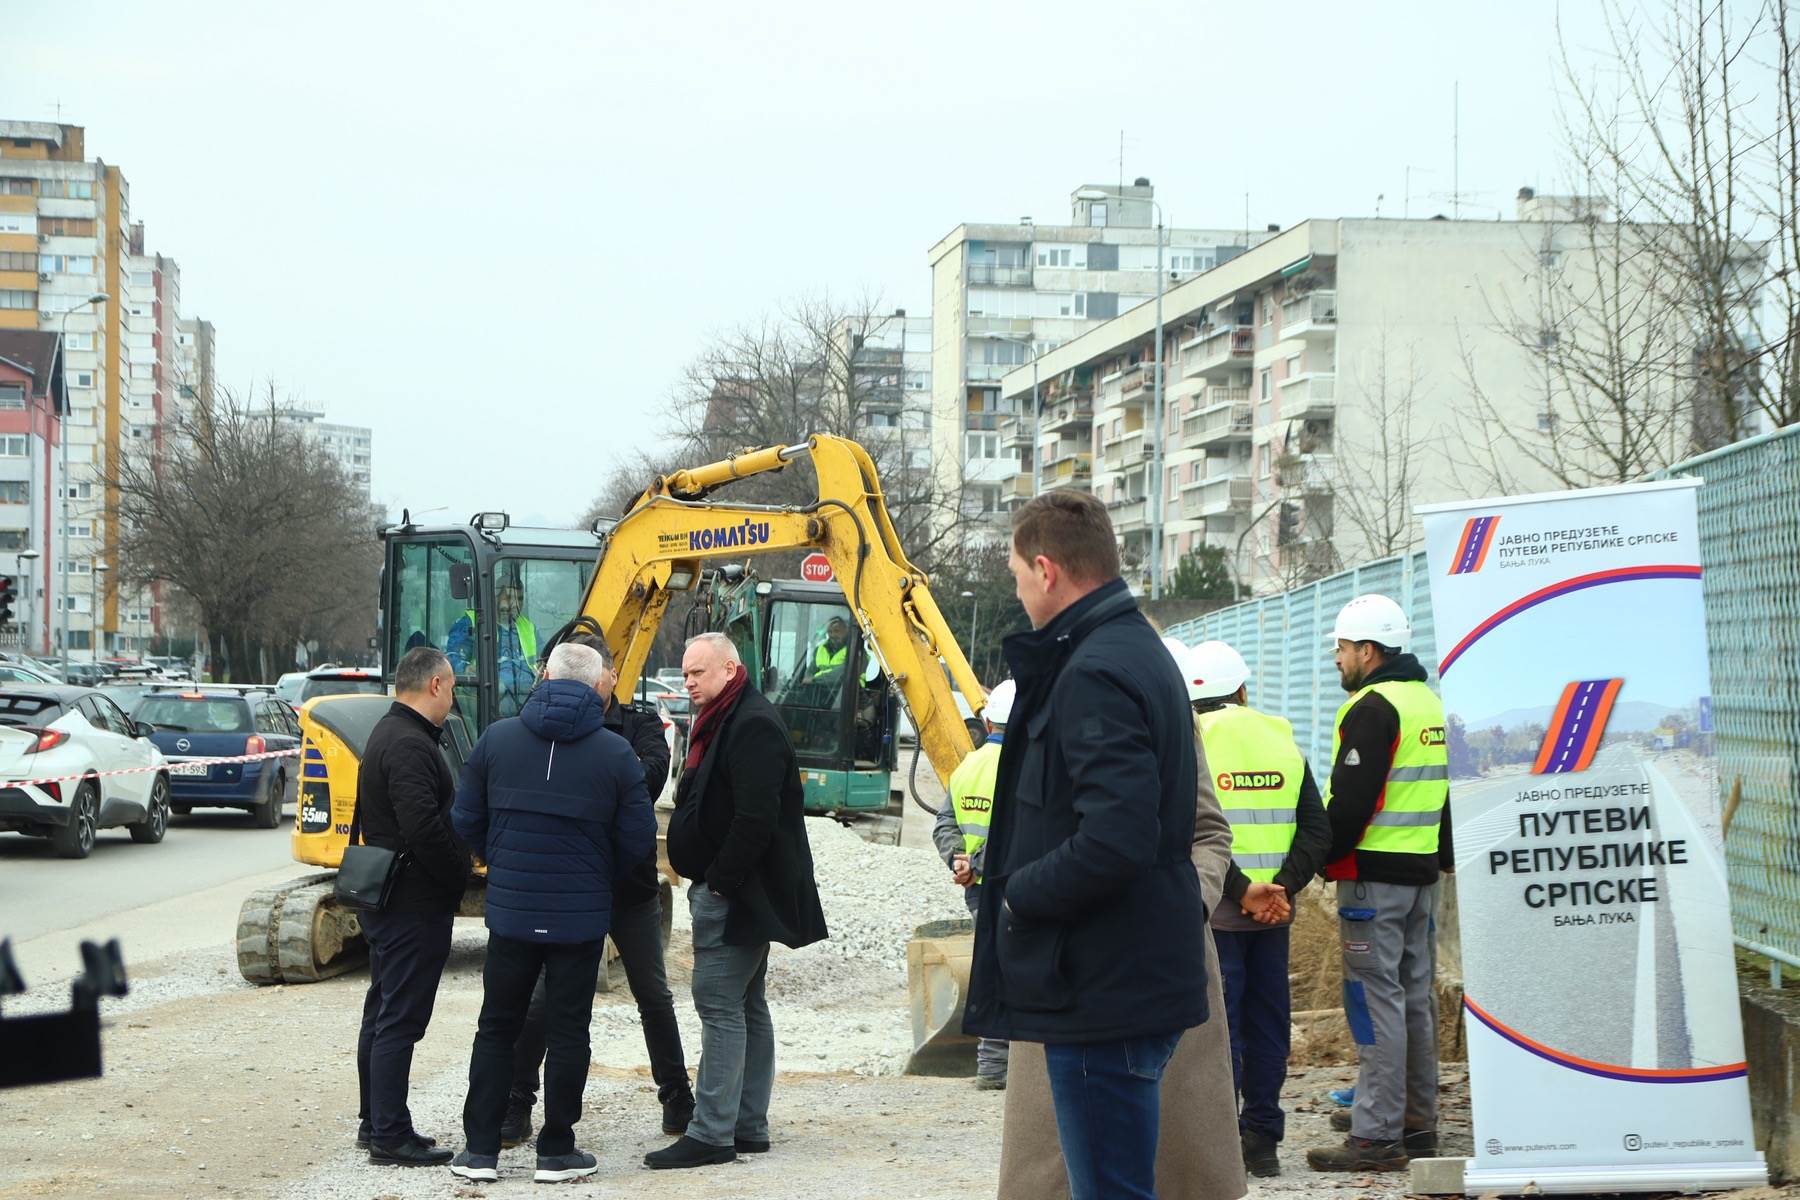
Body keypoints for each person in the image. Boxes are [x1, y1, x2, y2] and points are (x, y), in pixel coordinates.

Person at [965, 490, 1209, 1200]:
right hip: (1115, 977)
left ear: (1047, 569)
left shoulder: (1096, 670)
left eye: (1015, 574)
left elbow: (1117, 836)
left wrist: (1018, 894)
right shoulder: (1125, 649)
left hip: (1104, 987)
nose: (1016, 591)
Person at [995, 633, 1248, 1200]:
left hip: (1158, 964)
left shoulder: (1168, 718)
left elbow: (1209, 832)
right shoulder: (1037, 714)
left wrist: (1189, 906)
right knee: (1055, 1171)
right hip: (1060, 971)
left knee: (1171, 1168)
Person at [447, 642, 656, 1185]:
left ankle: (479, 1152)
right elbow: (637, 843)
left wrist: (501, 861)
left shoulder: (497, 738)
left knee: (496, 1027)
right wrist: (593, 878)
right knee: (569, 1032)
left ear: (544, 676)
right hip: (579, 920)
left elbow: (465, 819)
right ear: (597, 687)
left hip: (512, 913)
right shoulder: (615, 755)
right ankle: (557, 1151)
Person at [503, 633, 694, 1146]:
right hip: (569, 890)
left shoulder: (641, 723)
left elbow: (650, 778)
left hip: (627, 890)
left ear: (610, 675)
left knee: (653, 994)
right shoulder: (542, 726)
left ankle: (676, 1096)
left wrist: (591, 778)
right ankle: (517, 1102)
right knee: (545, 1001)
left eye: (600, 672)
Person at [651, 632, 829, 1170]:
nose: (688, 683)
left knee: (719, 1004)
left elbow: (755, 819)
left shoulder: (749, 723)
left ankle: (711, 1133)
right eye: (684, 674)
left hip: (737, 894)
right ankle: (748, 1125)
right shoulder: (729, 715)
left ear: (730, 669)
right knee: (748, 1004)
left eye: (697, 673)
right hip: (741, 891)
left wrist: (720, 882)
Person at [1305, 594, 1452, 1174]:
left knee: (1373, 1003)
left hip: (1373, 881)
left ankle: (1375, 1137)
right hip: (1419, 878)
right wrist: (1439, 857)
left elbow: (1351, 803)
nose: (1337, 660)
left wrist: (1322, 854)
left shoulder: (1373, 706)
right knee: (1414, 999)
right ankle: (1417, 1126)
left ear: (1367, 651)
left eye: (1341, 649)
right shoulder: (1427, 701)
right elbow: (1439, 794)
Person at [1185, 638, 1332, 1178]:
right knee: (1268, 1024)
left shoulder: (1190, 738)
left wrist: (1242, 888)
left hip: (1219, 913)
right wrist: (1281, 889)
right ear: (1243, 690)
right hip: (1273, 915)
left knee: (1222, 1029)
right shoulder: (1280, 737)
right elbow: (1318, 830)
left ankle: (1223, 1140)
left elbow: (1188, 829)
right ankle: (1263, 1141)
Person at [353, 646, 470, 1168]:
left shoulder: (389, 730)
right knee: (399, 1018)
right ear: (437, 686)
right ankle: (390, 1134)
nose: (453, 698)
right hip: (410, 901)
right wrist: (458, 874)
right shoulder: (408, 743)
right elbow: (422, 824)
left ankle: (374, 1121)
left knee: (382, 1011)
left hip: (391, 896)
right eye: (452, 688)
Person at [932, 678, 1016, 1090]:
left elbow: (945, 823)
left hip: (978, 887)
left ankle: (992, 1065)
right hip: (1017, 885)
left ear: (986, 719)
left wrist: (961, 862)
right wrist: (977, 863)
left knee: (992, 966)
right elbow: (1023, 832)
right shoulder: (1028, 770)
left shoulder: (967, 768)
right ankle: (1006, 1067)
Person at [446, 579, 537, 715]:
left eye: (520, 598)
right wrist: (465, 668)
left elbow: (544, 655)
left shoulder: (528, 627)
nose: (515, 604)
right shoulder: (472, 622)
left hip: (527, 699)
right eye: (509, 597)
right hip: (489, 699)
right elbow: (452, 656)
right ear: (495, 596)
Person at [802, 616, 851, 685]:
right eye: (830, 632)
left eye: (836, 631)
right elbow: (811, 670)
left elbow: (843, 672)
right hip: (821, 691)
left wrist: (815, 679)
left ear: (847, 631)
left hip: (847, 691)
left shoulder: (855, 651)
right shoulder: (820, 649)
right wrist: (808, 677)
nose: (833, 635)